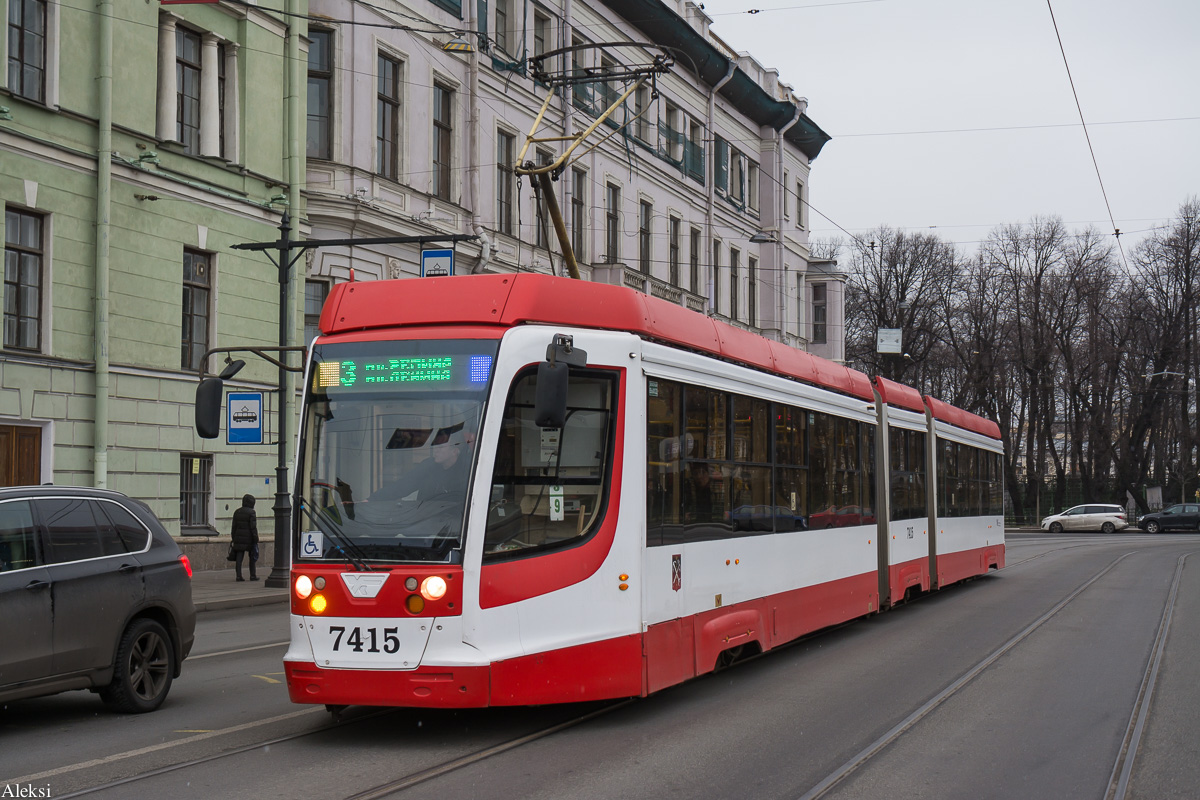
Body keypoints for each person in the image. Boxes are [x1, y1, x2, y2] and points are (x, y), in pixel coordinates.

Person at [230, 493, 259, 582]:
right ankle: (252, 575)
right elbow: (253, 527)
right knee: (252, 557)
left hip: (238, 537)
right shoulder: (252, 512)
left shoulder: (237, 512)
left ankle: (239, 576)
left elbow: (234, 526)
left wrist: (234, 538)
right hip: (249, 538)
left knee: (239, 557)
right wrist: (256, 539)